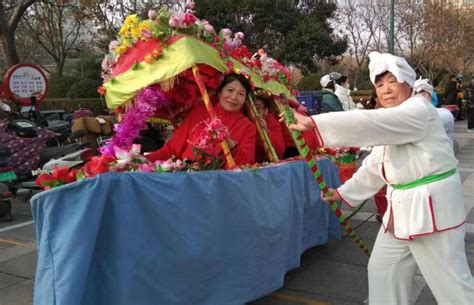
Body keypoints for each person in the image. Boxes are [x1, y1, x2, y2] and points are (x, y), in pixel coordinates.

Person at [285, 51, 474, 305]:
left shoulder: (418, 110)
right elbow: (376, 165)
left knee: (452, 286)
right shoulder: (394, 122)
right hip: (400, 213)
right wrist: (343, 192)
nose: (385, 90)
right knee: (383, 271)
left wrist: (314, 124)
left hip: (431, 212)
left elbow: (370, 122)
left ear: (408, 83)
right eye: (380, 84)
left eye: (392, 81)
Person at [146, 73, 257, 166]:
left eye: (241, 94)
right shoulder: (198, 112)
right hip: (186, 175)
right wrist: (142, 160)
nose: (234, 97)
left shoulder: (248, 126)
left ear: (245, 100)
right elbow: (171, 150)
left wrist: (231, 145)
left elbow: (246, 164)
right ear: (219, 93)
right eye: (230, 90)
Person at [414, 78, 455, 146]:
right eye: (415, 93)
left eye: (423, 92)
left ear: (431, 96)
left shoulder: (444, 114)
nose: (419, 96)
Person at [253, 95, 285, 162]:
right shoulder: (244, 121)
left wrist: (266, 131)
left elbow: (280, 149)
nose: (253, 111)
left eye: (257, 108)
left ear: (265, 111)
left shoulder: (272, 122)